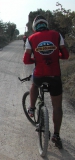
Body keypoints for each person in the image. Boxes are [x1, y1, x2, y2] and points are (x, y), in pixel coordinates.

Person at [23, 15, 69, 149]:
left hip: (39, 74)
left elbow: (26, 60)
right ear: (46, 24)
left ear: (34, 27)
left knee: (34, 84)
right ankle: (56, 135)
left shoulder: (31, 38)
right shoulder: (57, 35)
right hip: (55, 75)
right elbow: (65, 56)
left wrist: (37, 60)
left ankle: (31, 108)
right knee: (57, 107)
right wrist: (56, 56)